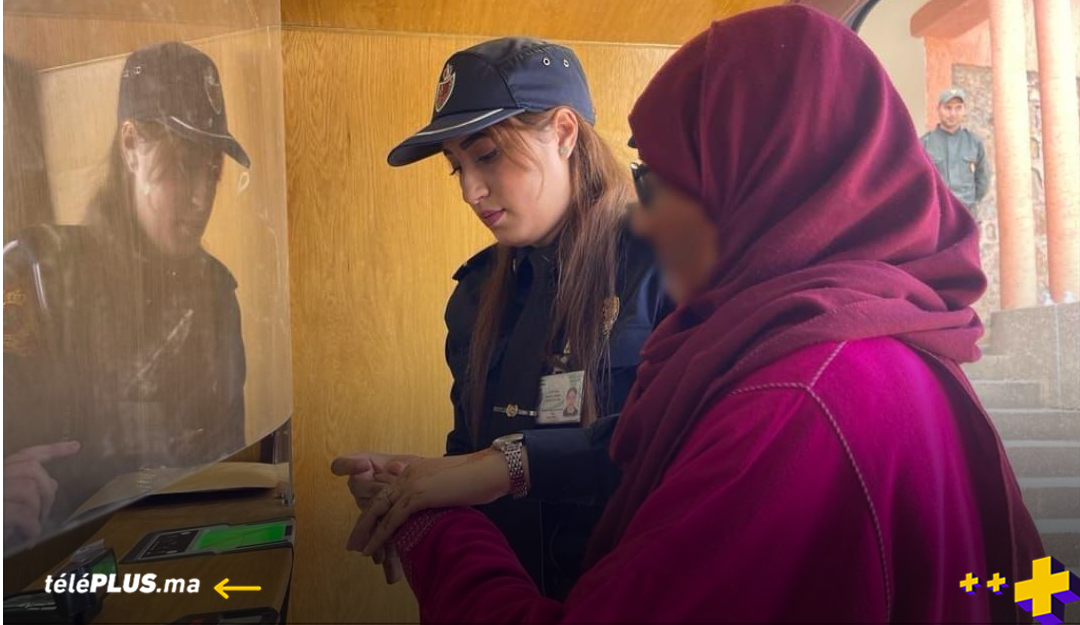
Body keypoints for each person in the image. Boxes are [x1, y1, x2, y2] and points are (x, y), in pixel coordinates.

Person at [348, 7, 1044, 623]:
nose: (470, 190)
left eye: (662, 181)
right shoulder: (885, 344)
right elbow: (1034, 593)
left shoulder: (790, 391)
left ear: (762, 176)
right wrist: (426, 487)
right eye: (457, 167)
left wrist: (438, 523)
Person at [331, 37, 671, 598]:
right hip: (502, 597)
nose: (470, 190)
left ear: (563, 133)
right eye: (456, 167)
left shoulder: (663, 264)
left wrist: (504, 466)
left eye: (487, 155)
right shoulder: (475, 293)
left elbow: (674, 449)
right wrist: (414, 489)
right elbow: (468, 456)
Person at [3, 41, 249, 554]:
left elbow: (227, 468)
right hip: (46, 572)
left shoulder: (215, 296)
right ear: (131, 144)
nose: (202, 196)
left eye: (212, 170)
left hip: (173, 563)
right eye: (182, 164)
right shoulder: (36, 274)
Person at [921, 87, 990, 217]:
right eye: (948, 108)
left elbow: (983, 179)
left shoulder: (974, 143)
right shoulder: (925, 144)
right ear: (938, 109)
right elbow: (919, 182)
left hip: (967, 215)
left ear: (964, 110)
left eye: (958, 108)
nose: (953, 113)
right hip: (937, 216)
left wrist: (970, 202)